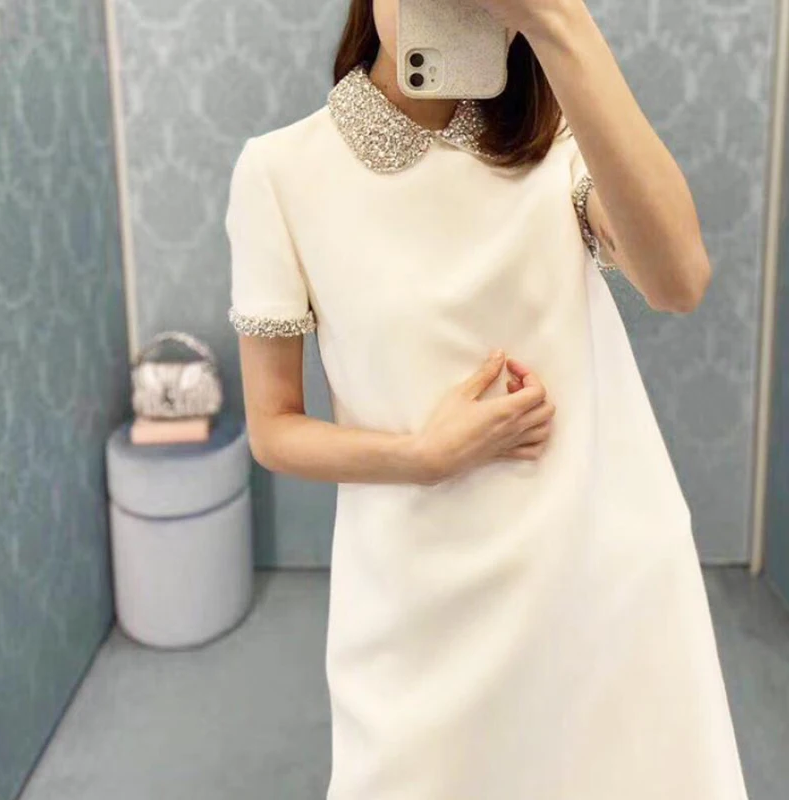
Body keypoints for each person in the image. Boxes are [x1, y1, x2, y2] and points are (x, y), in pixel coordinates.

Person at [224, 1, 750, 798]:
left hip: (600, 583)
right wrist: (422, 456)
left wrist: (562, 24)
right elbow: (273, 428)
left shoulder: (561, 143)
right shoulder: (282, 172)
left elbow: (679, 280)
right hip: (419, 605)